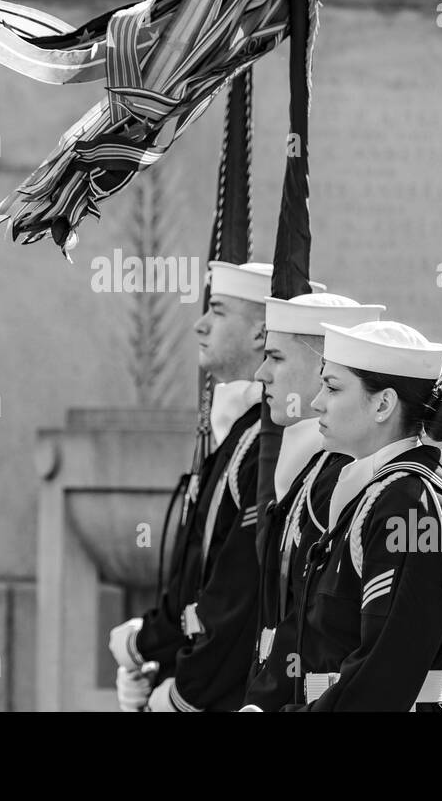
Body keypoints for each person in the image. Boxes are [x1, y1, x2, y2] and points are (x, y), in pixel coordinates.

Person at [243, 319, 442, 711]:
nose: (316, 402)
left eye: (333, 387)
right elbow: (309, 630)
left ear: (383, 404)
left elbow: (380, 680)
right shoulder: (377, 493)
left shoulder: (413, 507)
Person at [107, 261, 324, 711]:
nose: (199, 325)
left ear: (261, 334)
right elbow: (201, 578)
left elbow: (240, 595)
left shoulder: (275, 443)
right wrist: (158, 657)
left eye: (219, 311)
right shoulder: (245, 434)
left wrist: (185, 692)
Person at [242, 293, 383, 711]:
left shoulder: (348, 478)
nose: (261, 373)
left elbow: (335, 631)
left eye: (276, 357)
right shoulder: (315, 471)